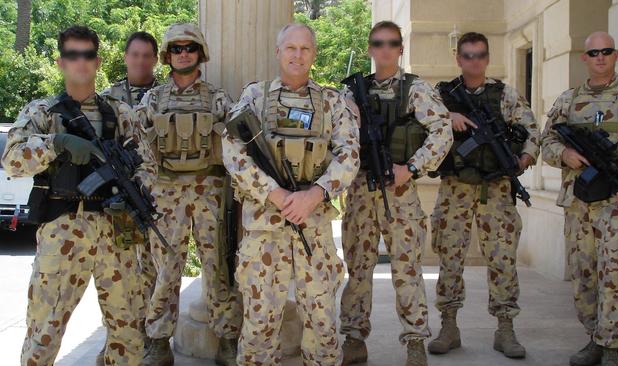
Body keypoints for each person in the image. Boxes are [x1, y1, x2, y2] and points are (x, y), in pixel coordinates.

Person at [1, 25, 156, 366]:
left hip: (116, 232)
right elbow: (11, 159)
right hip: (62, 231)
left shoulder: (120, 114)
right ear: (61, 62)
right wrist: (55, 143)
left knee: (128, 335)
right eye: (72, 55)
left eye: (87, 55)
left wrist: (134, 189)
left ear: (97, 61)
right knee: (43, 335)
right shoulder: (43, 112)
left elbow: (148, 166)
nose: (80, 62)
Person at [222, 23, 360, 365]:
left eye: (305, 49)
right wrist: (276, 194)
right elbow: (233, 150)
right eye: (291, 48)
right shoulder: (255, 96)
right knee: (258, 327)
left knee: (323, 323)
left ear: (313, 54)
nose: (298, 56)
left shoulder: (331, 102)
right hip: (264, 230)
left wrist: (315, 194)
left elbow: (350, 153)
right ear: (278, 52)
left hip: (313, 227)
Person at [338, 20, 453, 366]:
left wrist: (412, 168)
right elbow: (336, 137)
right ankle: (354, 339)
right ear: (371, 48)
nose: (384, 49)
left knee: (407, 269)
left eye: (391, 43)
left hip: (400, 191)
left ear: (400, 49)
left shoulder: (415, 89)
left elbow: (442, 131)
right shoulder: (351, 91)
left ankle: (415, 342)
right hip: (360, 190)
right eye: (378, 43)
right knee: (358, 268)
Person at [541, 31, 618, 366]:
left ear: (615, 55)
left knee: (614, 275)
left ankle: (611, 347)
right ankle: (594, 339)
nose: (600, 57)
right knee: (583, 275)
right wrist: (565, 154)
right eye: (594, 52)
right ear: (584, 58)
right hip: (579, 203)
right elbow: (545, 140)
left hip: (616, 203)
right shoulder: (569, 99)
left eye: (607, 51)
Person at [428, 31, 539, 359]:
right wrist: (448, 116)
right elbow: (421, 123)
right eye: (467, 56)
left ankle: (505, 328)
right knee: (449, 258)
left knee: (503, 259)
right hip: (455, 189)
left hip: (496, 189)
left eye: (479, 55)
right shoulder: (441, 94)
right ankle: (449, 326)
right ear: (458, 59)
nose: (474, 61)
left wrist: (524, 158)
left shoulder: (504, 95)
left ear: (487, 58)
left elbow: (532, 132)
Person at [137, 22, 242, 366]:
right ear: (168, 55)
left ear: (200, 53)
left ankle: (227, 337)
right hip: (166, 195)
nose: (184, 54)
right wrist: (151, 189)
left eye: (190, 48)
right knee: (166, 270)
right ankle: (158, 341)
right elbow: (138, 148)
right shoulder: (153, 98)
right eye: (177, 48)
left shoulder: (217, 97)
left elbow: (236, 146)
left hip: (208, 192)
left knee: (217, 268)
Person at [97, 30, 160, 364]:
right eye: (135, 54)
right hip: (117, 201)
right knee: (118, 275)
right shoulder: (106, 99)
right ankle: (115, 341)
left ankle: (149, 339)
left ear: (155, 58)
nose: (140, 61)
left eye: (147, 55)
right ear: (125, 57)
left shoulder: (164, 95)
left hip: (154, 197)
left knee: (152, 272)